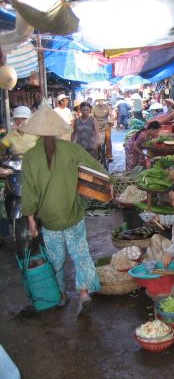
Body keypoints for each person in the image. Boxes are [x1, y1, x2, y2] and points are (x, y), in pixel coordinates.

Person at [20, 105, 105, 316]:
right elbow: (97, 169)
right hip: (73, 212)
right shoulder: (71, 149)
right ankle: (84, 293)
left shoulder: (30, 157)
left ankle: (60, 295)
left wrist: (30, 218)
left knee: (55, 259)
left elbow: (29, 192)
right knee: (80, 253)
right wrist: (108, 183)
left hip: (49, 219)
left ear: (37, 131)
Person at [91, 95, 114, 162]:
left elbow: (111, 115)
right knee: (96, 141)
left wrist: (112, 120)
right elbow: (92, 116)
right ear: (97, 101)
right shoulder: (94, 108)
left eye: (101, 100)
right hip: (97, 126)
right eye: (99, 100)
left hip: (106, 125)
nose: (100, 101)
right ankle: (97, 154)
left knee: (108, 139)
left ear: (103, 100)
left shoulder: (107, 107)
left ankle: (109, 155)